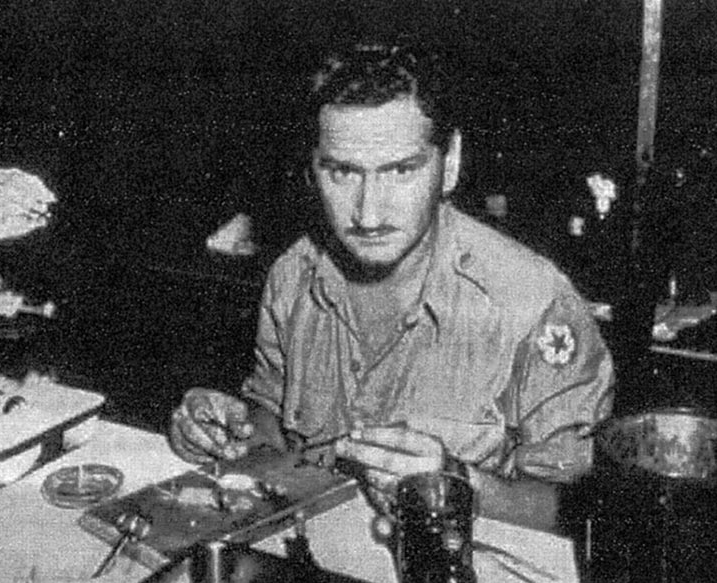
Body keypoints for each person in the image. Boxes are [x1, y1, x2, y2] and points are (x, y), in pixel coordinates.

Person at [169, 42, 614, 530]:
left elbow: (577, 514)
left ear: (450, 163)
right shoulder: (292, 277)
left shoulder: (532, 303)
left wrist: (454, 481)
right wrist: (229, 428)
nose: (368, 214)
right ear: (311, 167)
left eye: (401, 170)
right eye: (342, 172)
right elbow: (271, 424)